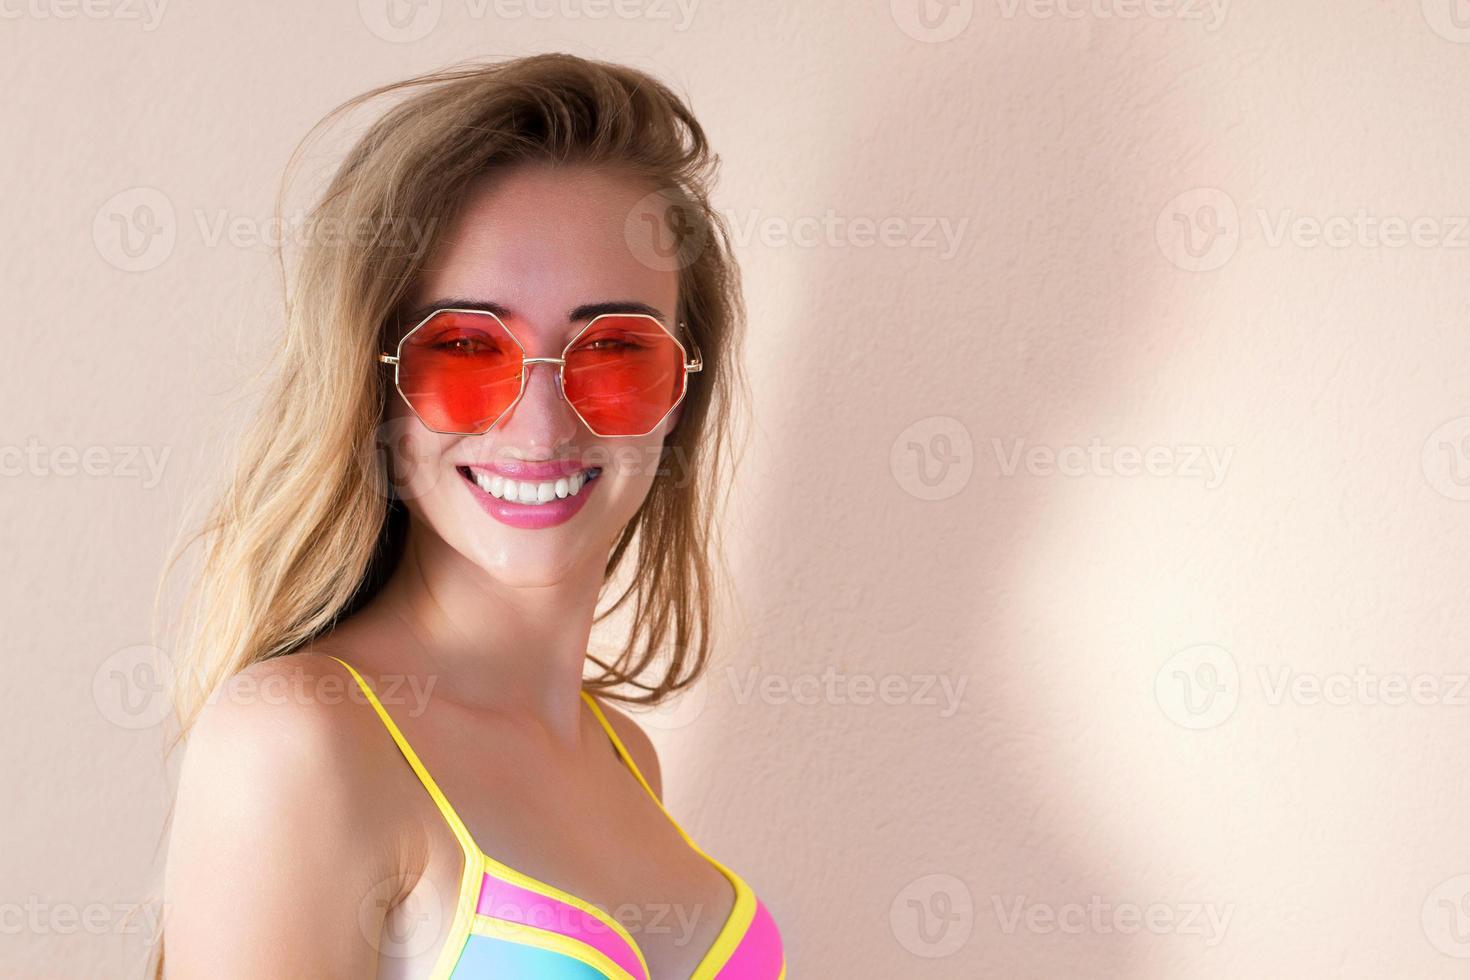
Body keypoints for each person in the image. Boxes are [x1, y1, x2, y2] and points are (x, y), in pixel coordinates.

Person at [155, 52, 785, 979]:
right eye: (462, 347)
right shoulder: (299, 738)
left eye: (613, 348)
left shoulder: (623, 756)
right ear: (373, 382)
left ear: (681, 392)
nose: (539, 425)